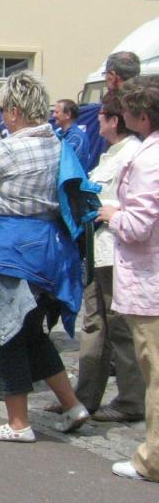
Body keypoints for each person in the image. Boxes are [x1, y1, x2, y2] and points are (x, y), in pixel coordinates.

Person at [0, 70, 89, 442]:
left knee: (2, 332)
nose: (4, 115)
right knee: (31, 334)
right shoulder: (53, 142)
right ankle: (72, 405)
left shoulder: (14, 148)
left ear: (16, 111)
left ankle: (18, 423)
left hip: (7, 250)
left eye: (7, 109)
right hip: (44, 248)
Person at [44, 97, 145, 423]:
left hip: (115, 250)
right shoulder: (112, 153)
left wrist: (103, 207)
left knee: (119, 327)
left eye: (101, 116)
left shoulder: (132, 154)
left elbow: (129, 202)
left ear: (114, 120)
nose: (96, 121)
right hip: (97, 248)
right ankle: (84, 396)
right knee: (94, 323)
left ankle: (131, 400)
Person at [98, 76, 159, 482]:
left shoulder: (149, 159)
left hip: (150, 282)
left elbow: (138, 226)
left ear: (142, 116)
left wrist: (113, 214)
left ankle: (152, 461)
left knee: (155, 375)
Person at [53, 99, 91, 172]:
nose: (53, 115)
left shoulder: (78, 138)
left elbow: (73, 168)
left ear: (68, 115)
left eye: (56, 112)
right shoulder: (57, 133)